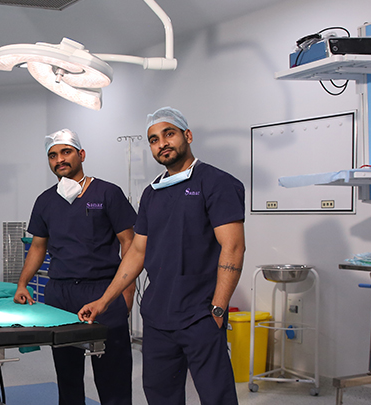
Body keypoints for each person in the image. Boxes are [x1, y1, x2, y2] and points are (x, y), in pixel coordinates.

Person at [78, 107, 246, 405]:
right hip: (158, 317)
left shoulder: (216, 183)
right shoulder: (152, 193)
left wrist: (218, 310)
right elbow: (137, 251)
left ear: (187, 135)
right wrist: (104, 301)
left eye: (169, 134)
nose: (162, 143)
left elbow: (233, 247)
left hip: (200, 314)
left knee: (216, 396)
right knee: (160, 395)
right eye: (154, 139)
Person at [14, 128, 137, 405]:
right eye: (53, 155)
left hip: (103, 290)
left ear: (81, 154)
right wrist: (22, 283)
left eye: (66, 152)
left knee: (113, 374)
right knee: (67, 373)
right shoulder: (45, 201)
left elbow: (129, 243)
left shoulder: (107, 193)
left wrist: (126, 292)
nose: (59, 159)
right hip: (60, 294)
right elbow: (38, 246)